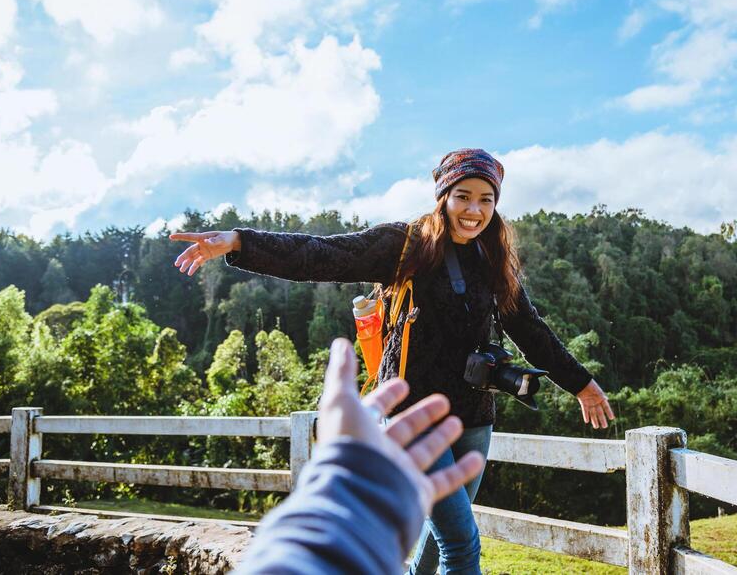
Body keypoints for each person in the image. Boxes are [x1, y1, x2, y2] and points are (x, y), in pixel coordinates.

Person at [173, 148, 615, 575]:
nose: (474, 210)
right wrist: (239, 242)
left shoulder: (493, 258)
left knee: (431, 547)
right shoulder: (405, 246)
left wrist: (581, 384)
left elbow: (529, 330)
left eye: (486, 199)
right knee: (461, 544)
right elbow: (320, 254)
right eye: (463, 196)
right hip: (411, 413)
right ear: (443, 196)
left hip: (474, 419)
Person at [235, 338, 486, 575]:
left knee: (454, 538)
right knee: (460, 541)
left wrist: (341, 504)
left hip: (468, 409)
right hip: (413, 397)